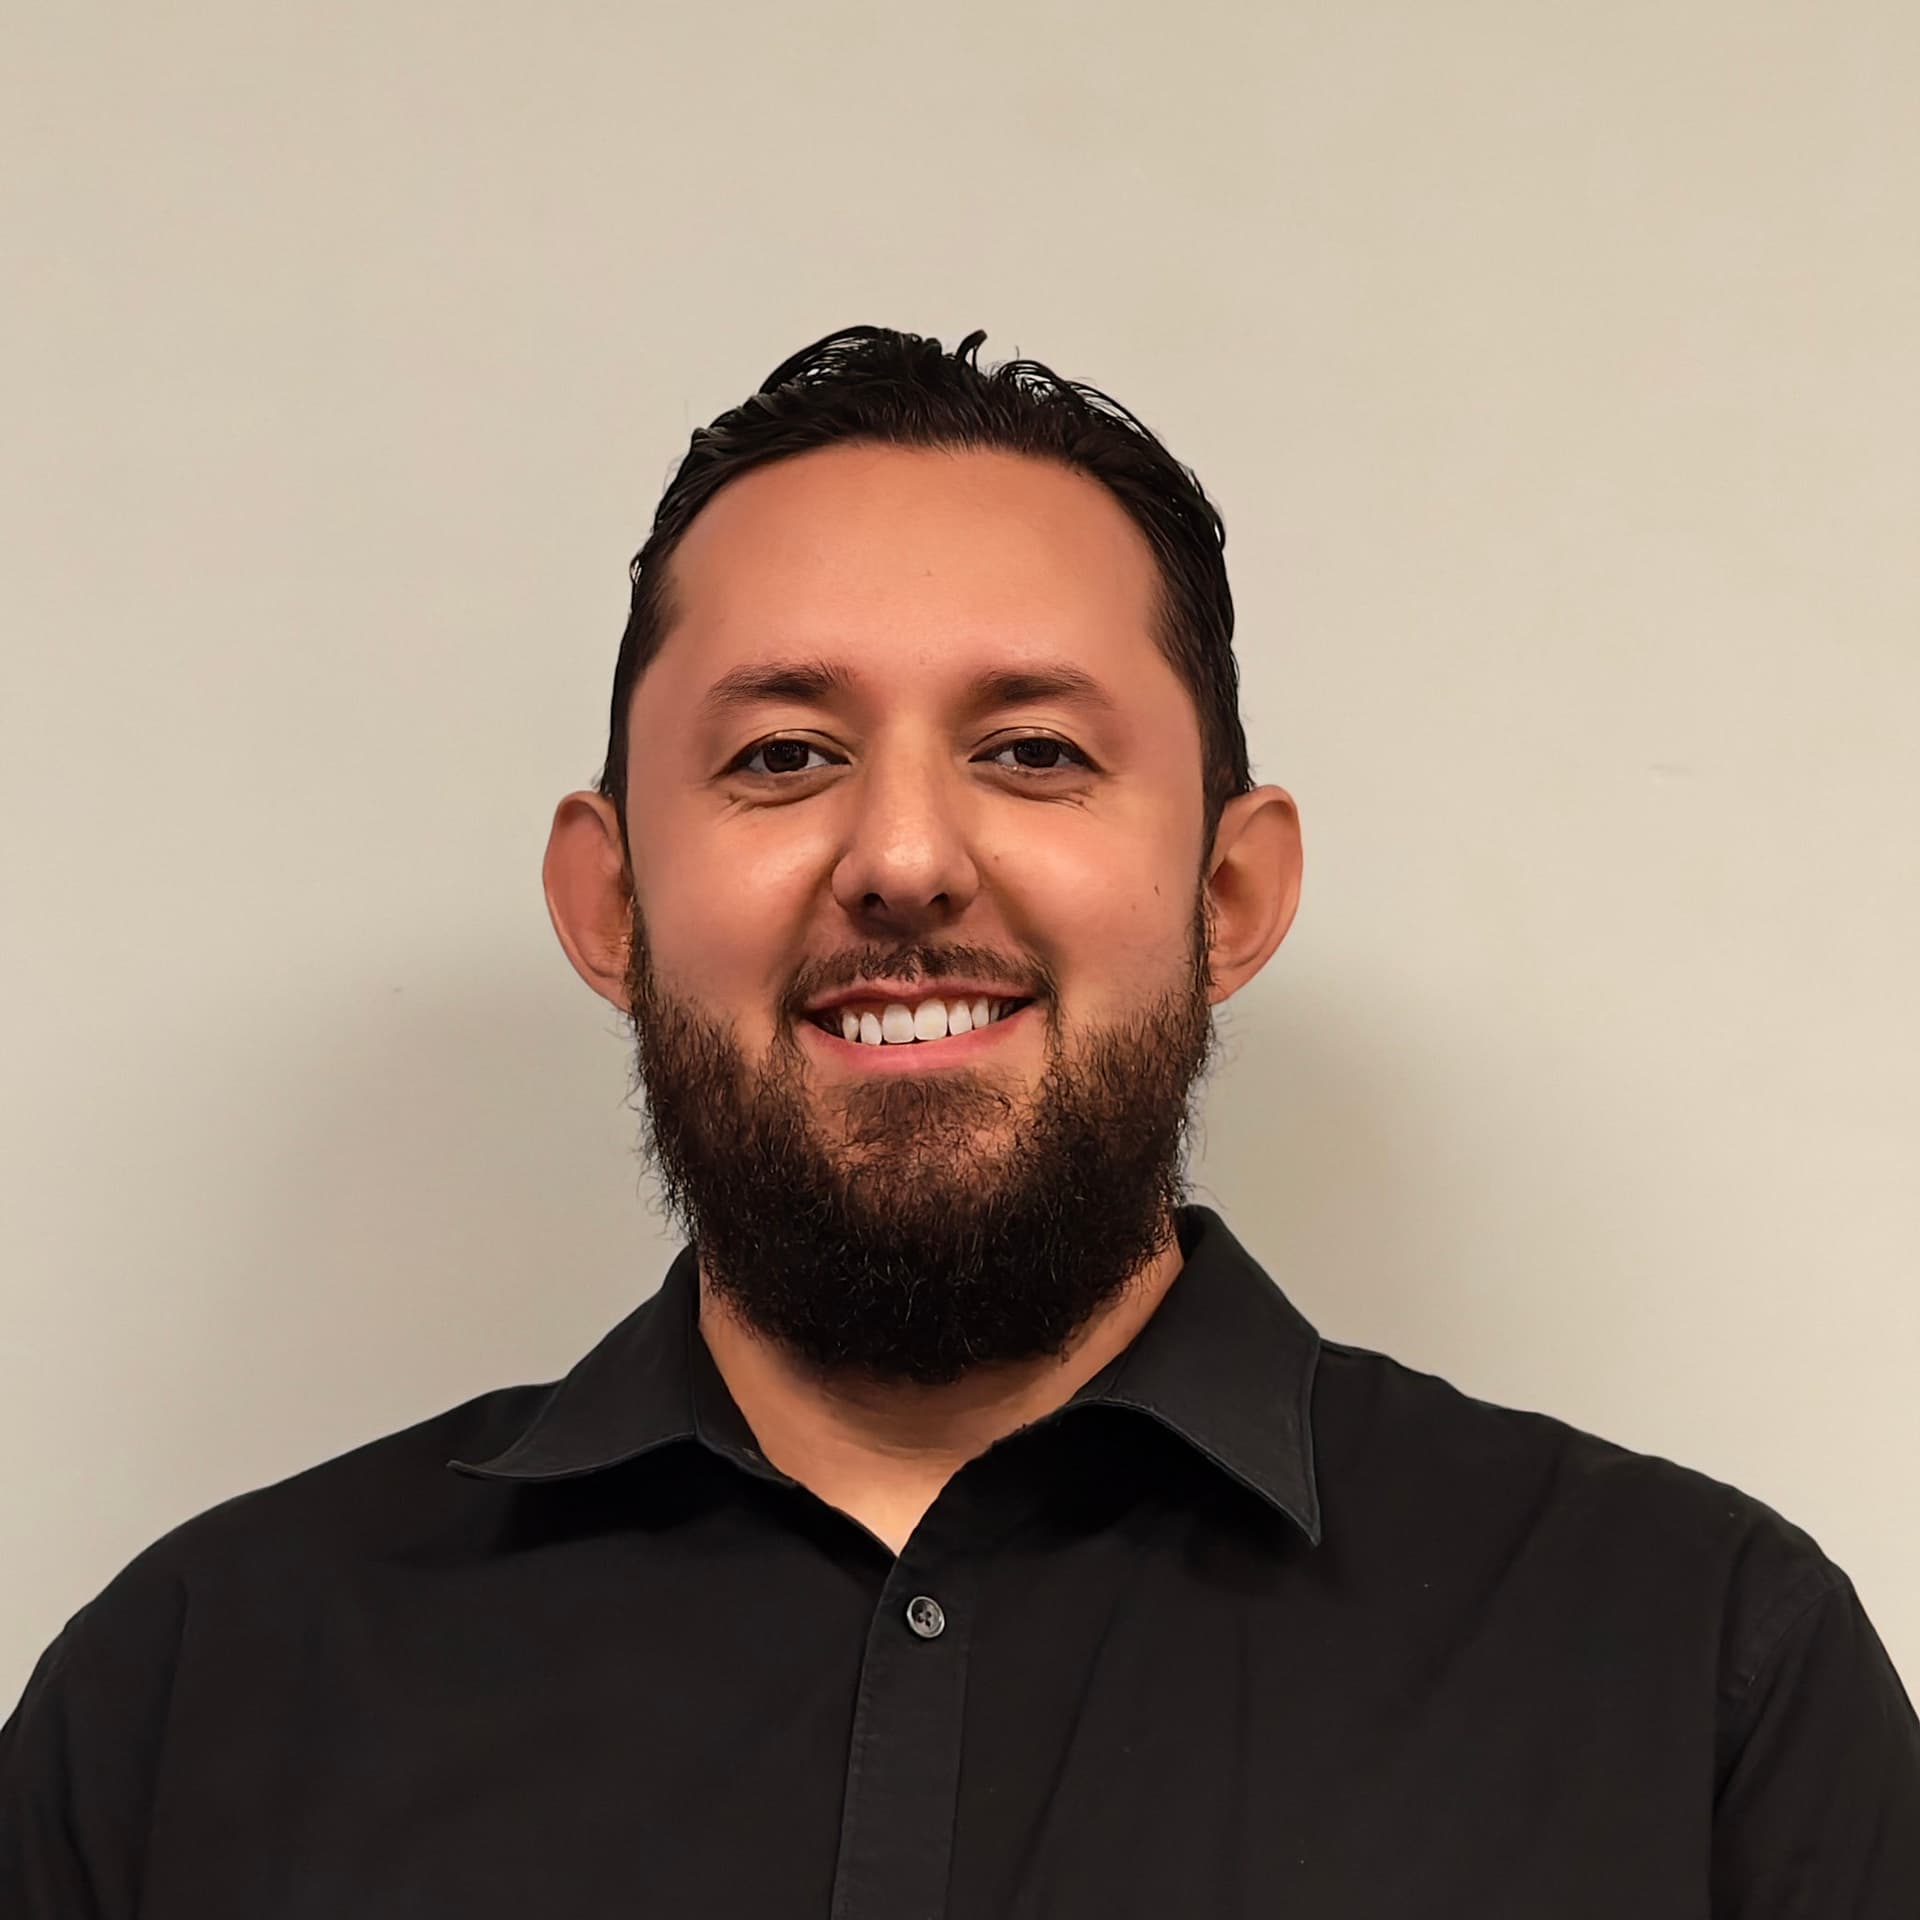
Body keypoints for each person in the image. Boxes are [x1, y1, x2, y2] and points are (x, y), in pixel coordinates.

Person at [3, 326, 1914, 1916]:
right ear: (611, 904)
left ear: (1228, 896)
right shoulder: (188, 1707)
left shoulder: (1698, 1682)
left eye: (1033, 752)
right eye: (783, 755)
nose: (905, 857)